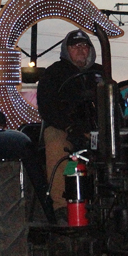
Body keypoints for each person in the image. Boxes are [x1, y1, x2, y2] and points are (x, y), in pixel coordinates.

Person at [37, 29, 104, 210]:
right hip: (64, 127)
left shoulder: (101, 73)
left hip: (97, 129)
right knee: (56, 143)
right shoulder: (54, 73)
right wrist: (68, 126)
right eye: (75, 46)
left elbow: (115, 102)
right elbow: (47, 107)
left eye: (85, 46)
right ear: (67, 50)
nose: (81, 50)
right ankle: (60, 205)